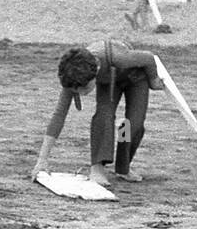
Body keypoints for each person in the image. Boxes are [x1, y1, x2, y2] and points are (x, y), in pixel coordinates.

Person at [31, 39, 166, 187]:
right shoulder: (73, 76)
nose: (81, 93)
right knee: (104, 115)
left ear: (95, 71)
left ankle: (123, 167)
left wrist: (153, 80)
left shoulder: (119, 57)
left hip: (135, 76)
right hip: (108, 81)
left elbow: (148, 57)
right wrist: (42, 159)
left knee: (133, 125)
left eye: (83, 88)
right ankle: (97, 168)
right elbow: (59, 116)